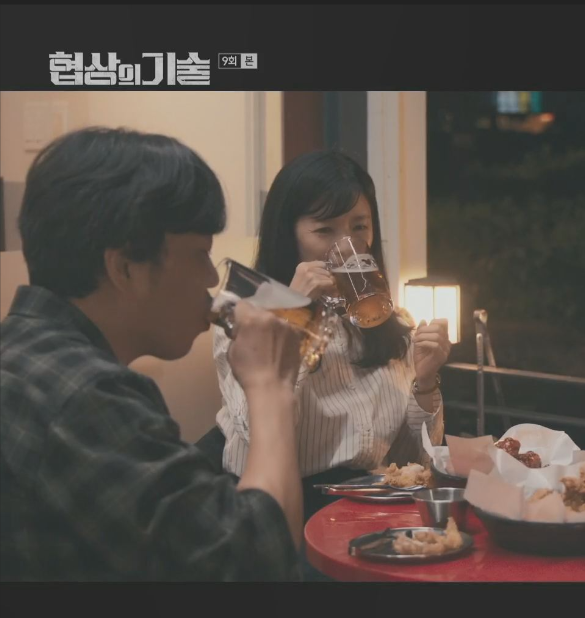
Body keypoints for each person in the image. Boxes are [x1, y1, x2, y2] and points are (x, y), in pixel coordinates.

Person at [1, 127, 305, 580]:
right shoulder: (86, 396)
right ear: (125, 267)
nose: (211, 279)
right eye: (200, 253)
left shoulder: (23, 351)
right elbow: (255, 563)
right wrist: (269, 385)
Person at [212, 150, 451, 523]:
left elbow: (414, 462)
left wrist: (425, 381)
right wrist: (293, 311)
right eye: (325, 230)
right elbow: (252, 431)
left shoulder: (393, 323)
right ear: (287, 235)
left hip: (369, 504)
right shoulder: (243, 313)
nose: (347, 245)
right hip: (279, 506)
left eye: (360, 227)